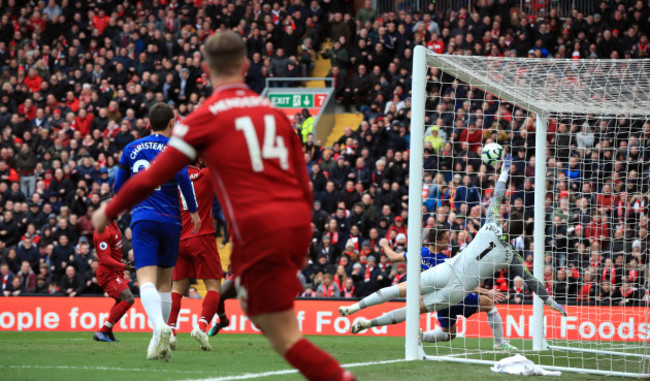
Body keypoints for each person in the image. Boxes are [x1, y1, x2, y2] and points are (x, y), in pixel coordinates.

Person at [92, 31, 354, 381]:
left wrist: (108, 210)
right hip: (292, 224)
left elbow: (151, 175)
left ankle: (177, 328)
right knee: (272, 324)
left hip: (253, 231)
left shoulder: (204, 118)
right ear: (246, 66)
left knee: (280, 331)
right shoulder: (274, 112)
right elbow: (301, 178)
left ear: (205, 68)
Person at [339, 154, 567, 334]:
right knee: (412, 309)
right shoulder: (513, 257)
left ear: (507, 225)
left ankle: (356, 309)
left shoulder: (492, 224)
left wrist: (505, 172)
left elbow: (497, 196)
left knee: (400, 291)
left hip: (447, 271)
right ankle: (366, 322)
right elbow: (533, 282)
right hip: (457, 288)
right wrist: (549, 301)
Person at [113, 102, 200, 361]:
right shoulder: (176, 149)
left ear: (149, 123)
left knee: (146, 281)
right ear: (172, 123)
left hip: (144, 218)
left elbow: (119, 186)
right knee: (165, 283)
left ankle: (160, 327)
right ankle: (159, 340)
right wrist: (193, 211)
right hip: (172, 221)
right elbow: (184, 179)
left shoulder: (130, 148)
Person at [378, 231, 515, 350]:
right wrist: (486, 292)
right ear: (437, 242)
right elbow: (463, 283)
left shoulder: (420, 252)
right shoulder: (445, 262)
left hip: (436, 299)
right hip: (453, 297)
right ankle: (500, 343)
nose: (449, 241)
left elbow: (394, 257)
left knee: (450, 334)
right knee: (489, 304)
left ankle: (421, 336)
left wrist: (384, 245)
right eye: (445, 239)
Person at [167, 158, 223, 351]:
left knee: (177, 288)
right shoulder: (206, 175)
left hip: (178, 238)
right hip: (202, 236)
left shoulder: (173, 178)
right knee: (214, 286)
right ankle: (201, 326)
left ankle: (171, 331)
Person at [92, 220, 134, 342]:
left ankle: (107, 331)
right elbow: (105, 259)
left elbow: (114, 253)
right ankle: (102, 331)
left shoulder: (114, 224)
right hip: (107, 274)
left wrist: (123, 263)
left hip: (116, 272)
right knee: (128, 298)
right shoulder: (102, 231)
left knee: (121, 300)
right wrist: (124, 267)